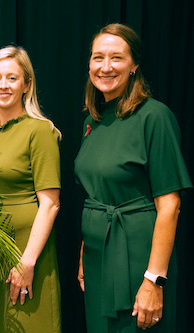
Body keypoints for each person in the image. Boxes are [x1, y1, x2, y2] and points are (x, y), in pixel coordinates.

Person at [74, 23, 192, 332]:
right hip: (98, 260)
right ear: (89, 64)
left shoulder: (155, 117)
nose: (106, 66)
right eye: (98, 57)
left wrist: (154, 280)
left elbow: (170, 206)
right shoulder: (92, 121)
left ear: (134, 65)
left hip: (140, 259)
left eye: (117, 58)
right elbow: (96, 195)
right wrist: (86, 252)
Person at [0, 46, 62, 332]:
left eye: (12, 78)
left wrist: (27, 262)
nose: (3, 86)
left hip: (27, 248)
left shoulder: (40, 131)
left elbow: (51, 204)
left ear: (26, 84)